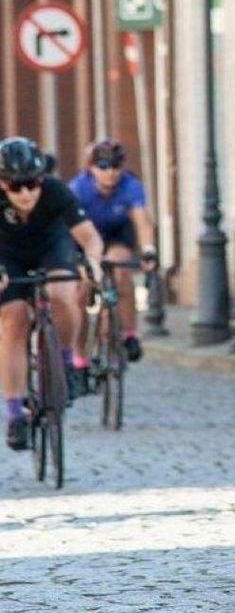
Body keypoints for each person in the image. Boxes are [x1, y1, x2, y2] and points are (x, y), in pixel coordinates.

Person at [0, 137, 103, 449]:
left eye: (32, 183)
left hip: (50, 246)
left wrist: (93, 263)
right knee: (14, 319)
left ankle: (66, 361)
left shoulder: (57, 191)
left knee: (62, 291)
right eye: (16, 187)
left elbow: (89, 237)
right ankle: (16, 414)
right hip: (7, 256)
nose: (26, 193)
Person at [68, 139, 158, 385]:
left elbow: (142, 221)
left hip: (118, 233)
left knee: (120, 270)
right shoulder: (78, 188)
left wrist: (149, 250)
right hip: (84, 236)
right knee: (80, 293)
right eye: (104, 166)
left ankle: (129, 333)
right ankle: (79, 357)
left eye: (116, 166)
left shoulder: (131, 185)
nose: (111, 172)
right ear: (92, 167)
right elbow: (69, 228)